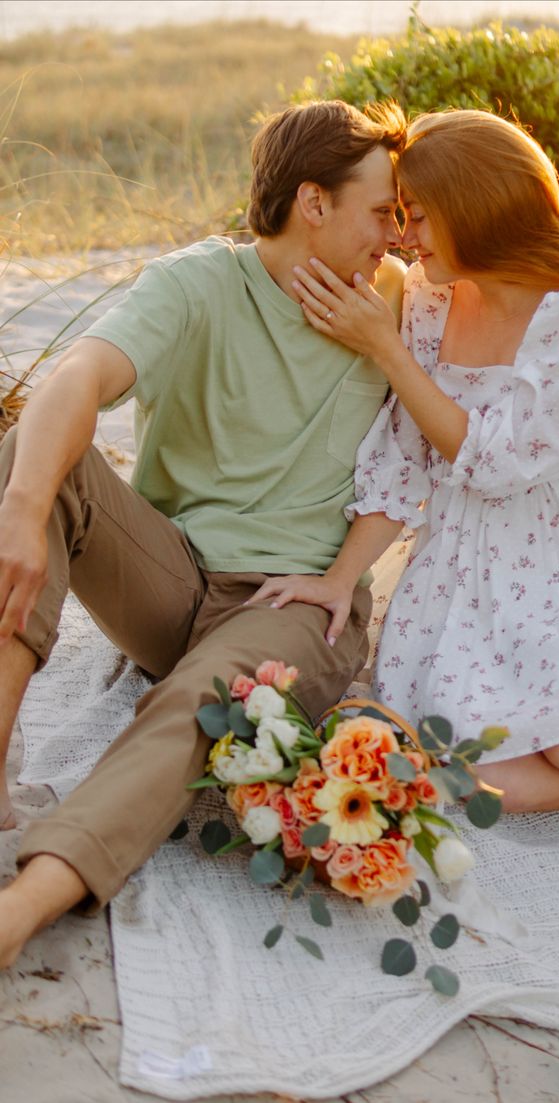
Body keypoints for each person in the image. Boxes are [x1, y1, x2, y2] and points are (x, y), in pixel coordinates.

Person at [0, 99, 407, 966]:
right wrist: (23, 514)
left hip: (295, 605)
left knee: (200, 705)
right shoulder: (197, 283)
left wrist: (389, 348)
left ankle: (25, 904)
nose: (394, 233)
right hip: (174, 577)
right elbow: (79, 373)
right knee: (31, 460)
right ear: (313, 202)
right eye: (381, 210)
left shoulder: (401, 302)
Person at [248, 109, 559, 813]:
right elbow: (404, 455)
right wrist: (338, 579)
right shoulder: (426, 299)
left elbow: (499, 462)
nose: (401, 236)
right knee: (476, 780)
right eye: (399, 216)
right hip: (460, 570)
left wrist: (382, 348)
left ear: (476, 209)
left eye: (417, 216)